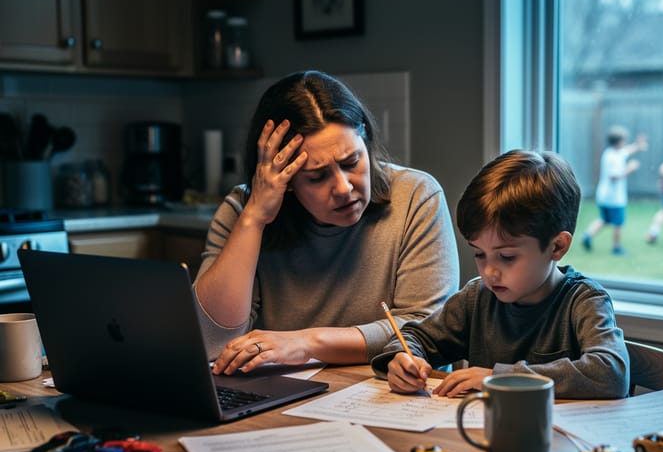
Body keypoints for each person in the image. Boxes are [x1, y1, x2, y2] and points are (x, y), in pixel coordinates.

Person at [195, 70, 460, 375]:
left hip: (384, 392)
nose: (344, 188)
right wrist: (254, 219)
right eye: (317, 176)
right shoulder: (242, 212)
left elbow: (424, 329)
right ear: (287, 181)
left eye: (351, 163)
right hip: (282, 396)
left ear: (366, 141)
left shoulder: (416, 197)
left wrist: (306, 343)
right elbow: (211, 340)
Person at [371, 149, 629, 400]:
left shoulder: (583, 302)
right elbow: (415, 336)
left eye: (506, 257)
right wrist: (402, 359)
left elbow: (611, 373)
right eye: (479, 254)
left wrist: (499, 378)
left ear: (557, 247)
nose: (489, 271)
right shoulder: (477, 298)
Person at [581, 126, 647, 255]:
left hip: (603, 195)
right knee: (618, 222)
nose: (625, 143)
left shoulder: (610, 153)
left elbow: (627, 151)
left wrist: (638, 146)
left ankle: (587, 235)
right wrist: (630, 168)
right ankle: (616, 248)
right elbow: (614, 176)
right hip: (613, 197)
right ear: (618, 142)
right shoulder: (614, 158)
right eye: (624, 140)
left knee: (604, 219)